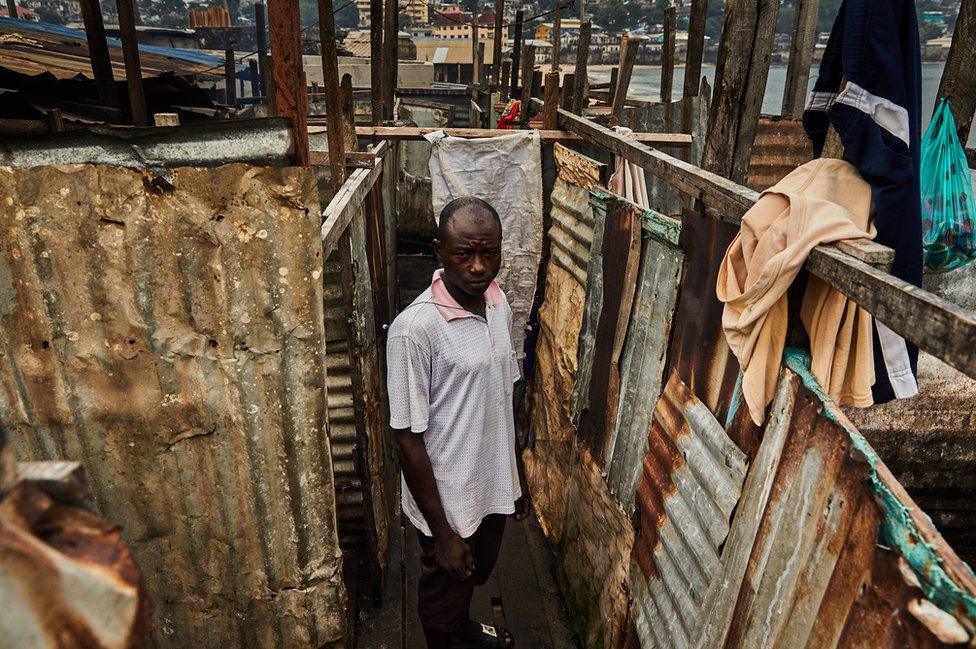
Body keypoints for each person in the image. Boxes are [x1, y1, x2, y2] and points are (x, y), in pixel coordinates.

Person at [387, 196, 530, 649]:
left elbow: (502, 394)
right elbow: (406, 438)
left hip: (492, 484)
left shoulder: (498, 301)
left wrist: (516, 476)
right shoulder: (415, 330)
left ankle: (466, 630)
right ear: (438, 251)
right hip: (447, 500)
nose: (478, 266)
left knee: (475, 574)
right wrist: (444, 533)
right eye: (464, 253)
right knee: (442, 602)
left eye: (489, 252)